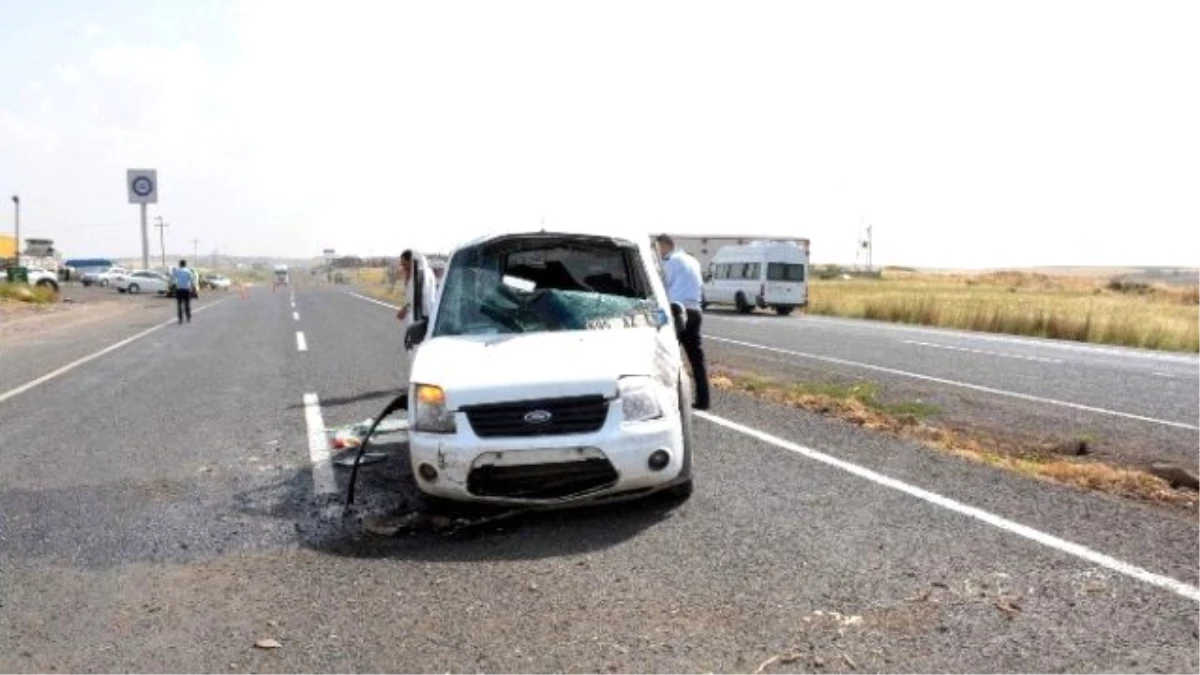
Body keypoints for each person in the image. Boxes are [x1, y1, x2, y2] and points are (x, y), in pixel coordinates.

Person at [655, 234, 710, 410]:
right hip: (695, 311)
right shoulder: (693, 261)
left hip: (677, 312)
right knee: (697, 359)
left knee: (669, 356)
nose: (658, 252)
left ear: (664, 245)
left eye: (658, 248)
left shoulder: (670, 262)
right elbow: (700, 285)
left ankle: (671, 400)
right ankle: (703, 400)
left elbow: (661, 287)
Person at [396, 249, 438, 350]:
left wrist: (405, 309)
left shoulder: (422, 276)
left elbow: (422, 300)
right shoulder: (412, 277)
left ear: (411, 261)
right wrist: (405, 309)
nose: (403, 267)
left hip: (423, 321)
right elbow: (412, 299)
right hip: (415, 319)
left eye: (404, 264)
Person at [171, 259, 198, 324]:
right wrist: (194, 290)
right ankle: (188, 317)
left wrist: (174, 287)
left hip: (179, 289)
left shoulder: (177, 271)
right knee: (187, 304)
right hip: (186, 290)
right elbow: (192, 281)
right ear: (185, 265)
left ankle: (180, 319)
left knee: (179, 305)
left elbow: (173, 280)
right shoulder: (188, 272)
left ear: (180, 264)